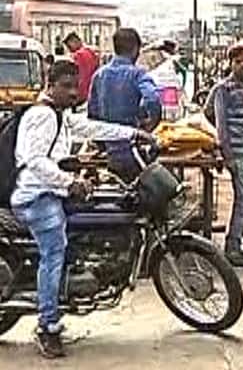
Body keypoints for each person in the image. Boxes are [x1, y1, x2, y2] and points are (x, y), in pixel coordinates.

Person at [13, 60, 152, 358]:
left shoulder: (60, 115)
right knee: (54, 251)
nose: (73, 93)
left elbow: (90, 127)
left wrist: (132, 134)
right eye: (66, 86)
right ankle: (48, 326)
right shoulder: (41, 115)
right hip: (36, 195)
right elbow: (34, 161)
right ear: (50, 85)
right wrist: (70, 182)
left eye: (75, 86)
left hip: (52, 189)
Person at [204, 46, 243, 267]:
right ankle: (232, 247)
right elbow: (215, 118)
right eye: (238, 62)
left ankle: (237, 243)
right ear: (230, 64)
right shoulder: (222, 90)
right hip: (235, 153)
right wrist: (226, 153)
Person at [87, 28, 161, 181]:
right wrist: (150, 124)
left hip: (110, 152)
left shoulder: (99, 75)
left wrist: (101, 143)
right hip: (133, 150)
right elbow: (153, 99)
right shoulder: (137, 74)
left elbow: (92, 114)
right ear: (135, 49)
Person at [63, 32, 99, 108]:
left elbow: (80, 77)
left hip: (81, 96)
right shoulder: (92, 53)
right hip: (93, 93)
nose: (69, 49)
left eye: (69, 46)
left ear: (75, 41)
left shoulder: (78, 55)